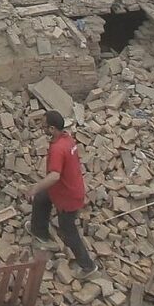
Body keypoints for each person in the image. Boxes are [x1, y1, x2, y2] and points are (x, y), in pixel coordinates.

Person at [27, 109, 96, 272]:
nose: (42, 129)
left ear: (52, 129)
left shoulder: (58, 148)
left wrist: (33, 188)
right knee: (42, 199)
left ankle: (88, 266)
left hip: (67, 196)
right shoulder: (67, 139)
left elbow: (54, 176)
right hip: (67, 188)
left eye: (44, 126)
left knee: (68, 231)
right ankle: (40, 232)